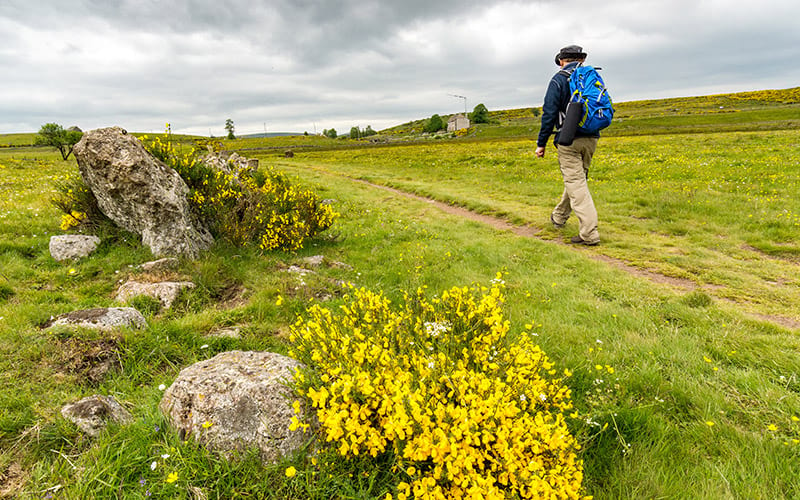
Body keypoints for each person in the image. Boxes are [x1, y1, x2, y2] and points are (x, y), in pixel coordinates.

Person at [535, 44, 601, 246]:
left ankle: (589, 233)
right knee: (577, 180)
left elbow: (549, 113)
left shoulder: (559, 79)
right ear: (581, 60)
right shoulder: (591, 78)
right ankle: (559, 216)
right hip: (591, 137)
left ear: (562, 61)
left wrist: (541, 143)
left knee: (576, 184)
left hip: (568, 139)